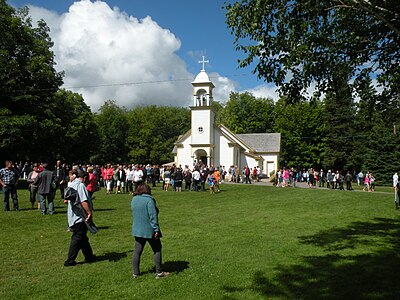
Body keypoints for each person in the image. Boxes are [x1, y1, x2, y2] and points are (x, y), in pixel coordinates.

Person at [131, 184, 169, 279]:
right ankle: (159, 272)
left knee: (137, 251)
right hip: (149, 229)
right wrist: (156, 229)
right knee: (157, 249)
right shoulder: (149, 200)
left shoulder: (134, 199)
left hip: (137, 229)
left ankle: (136, 273)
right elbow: (153, 216)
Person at [64, 170, 96, 266]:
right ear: (85, 178)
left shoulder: (72, 184)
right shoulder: (80, 185)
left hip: (72, 215)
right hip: (80, 217)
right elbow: (83, 201)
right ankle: (69, 261)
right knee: (77, 237)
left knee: (83, 238)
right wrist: (89, 213)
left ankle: (89, 257)